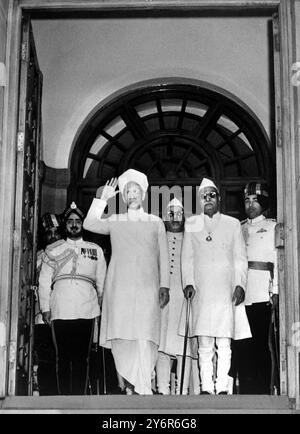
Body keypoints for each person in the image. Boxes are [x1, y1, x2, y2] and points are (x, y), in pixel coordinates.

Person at [83, 168, 170, 395]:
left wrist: (164, 285)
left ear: (143, 194)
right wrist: (102, 199)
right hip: (120, 287)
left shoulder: (155, 222)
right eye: (127, 192)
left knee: (145, 334)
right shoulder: (115, 220)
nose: (132, 195)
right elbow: (89, 224)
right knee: (122, 335)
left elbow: (163, 256)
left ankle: (143, 383)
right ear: (123, 197)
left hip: (147, 287)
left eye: (135, 191)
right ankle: (130, 384)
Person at [181, 178, 250, 395]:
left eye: (212, 195)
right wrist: (188, 283)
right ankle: (206, 387)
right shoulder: (192, 223)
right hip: (201, 291)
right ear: (200, 200)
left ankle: (221, 387)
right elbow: (187, 258)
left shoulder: (232, 224)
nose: (208, 199)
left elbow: (240, 258)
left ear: (219, 198)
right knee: (204, 343)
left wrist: (240, 284)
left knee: (224, 342)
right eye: (204, 196)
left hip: (225, 290)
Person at [38, 202, 107, 395]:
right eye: (70, 221)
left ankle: (79, 402)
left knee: (82, 359)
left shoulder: (95, 250)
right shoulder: (53, 250)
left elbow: (102, 281)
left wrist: (102, 308)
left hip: (87, 309)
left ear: (83, 224)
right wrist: (45, 308)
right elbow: (44, 282)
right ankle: (64, 402)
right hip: (60, 309)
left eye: (78, 221)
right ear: (65, 225)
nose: (74, 225)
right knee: (62, 358)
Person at [231, 182, 279, 394]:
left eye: (255, 201)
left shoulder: (273, 226)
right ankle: (247, 392)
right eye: (247, 201)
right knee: (242, 345)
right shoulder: (238, 228)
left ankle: (263, 391)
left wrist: (275, 290)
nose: (250, 205)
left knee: (262, 344)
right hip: (239, 295)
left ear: (264, 203)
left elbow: (278, 261)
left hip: (261, 293)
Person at [156, 198, 199, 395]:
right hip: (162, 299)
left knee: (185, 347)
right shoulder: (157, 238)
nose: (174, 218)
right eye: (170, 213)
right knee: (161, 344)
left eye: (179, 214)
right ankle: (163, 391)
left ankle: (182, 393)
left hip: (185, 299)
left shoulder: (192, 239)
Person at [34, 213, 62, 395]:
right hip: (42, 313)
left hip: (64, 312)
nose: (52, 236)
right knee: (45, 356)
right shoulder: (37, 256)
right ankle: (45, 393)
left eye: (55, 232)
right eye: (48, 233)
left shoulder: (70, 251)